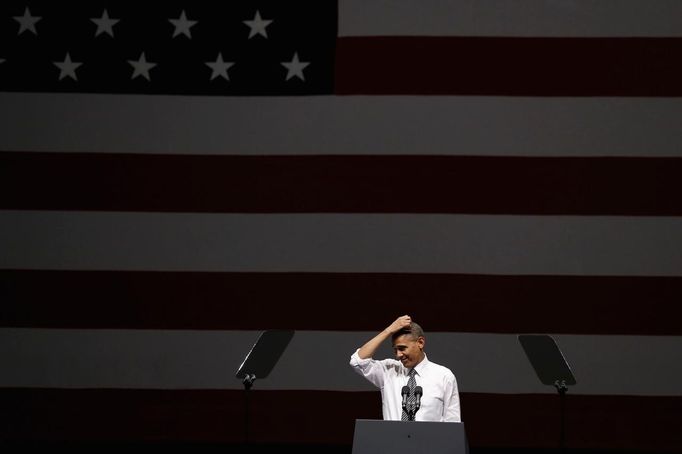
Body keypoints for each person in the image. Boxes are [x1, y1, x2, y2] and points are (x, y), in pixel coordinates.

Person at [349, 315, 461, 422]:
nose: (398, 355)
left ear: (420, 343)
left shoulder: (444, 376)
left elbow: (453, 424)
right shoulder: (388, 371)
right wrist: (388, 330)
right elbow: (357, 361)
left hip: (430, 441)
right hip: (393, 441)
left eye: (402, 348)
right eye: (395, 350)